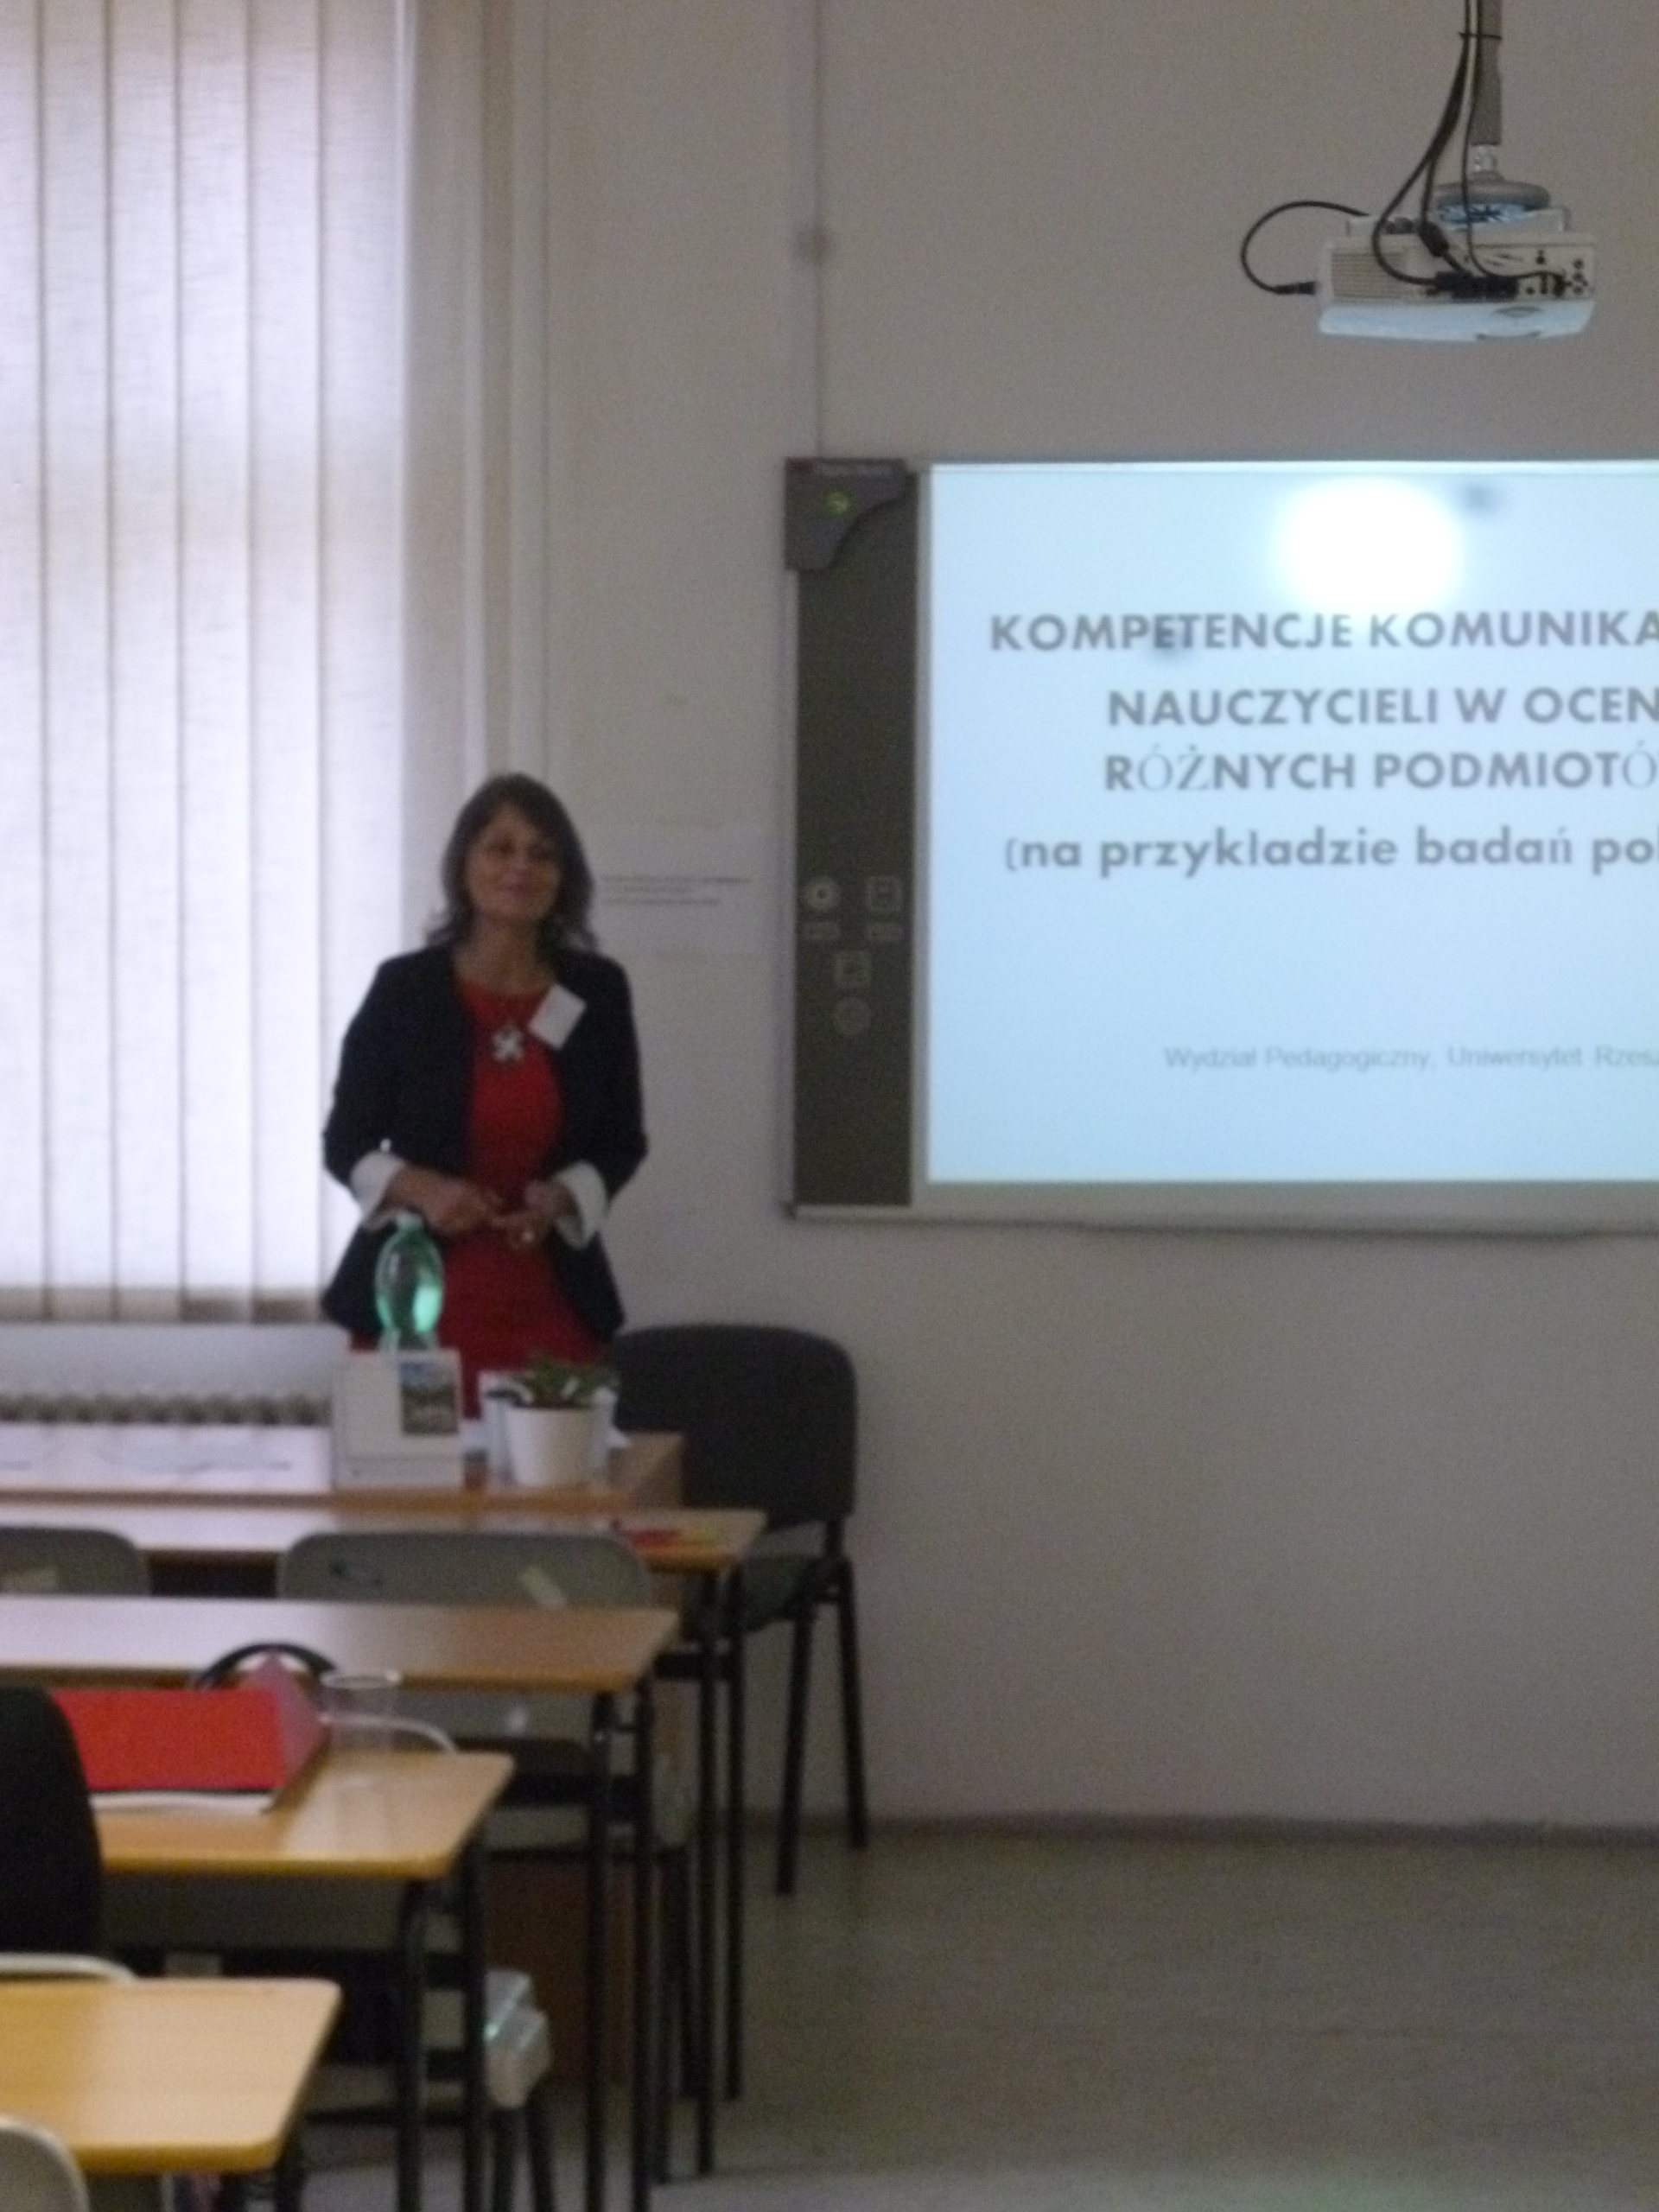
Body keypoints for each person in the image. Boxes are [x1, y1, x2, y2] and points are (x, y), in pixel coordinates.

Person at [321, 773, 646, 1409]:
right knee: (420, 1473)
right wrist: (425, 1189)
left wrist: (561, 1198)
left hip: (555, 1307)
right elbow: (345, 1143)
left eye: (542, 853)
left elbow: (622, 1142)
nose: (521, 866)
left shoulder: (597, 991)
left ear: (563, 878)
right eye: (500, 848)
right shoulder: (405, 990)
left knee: (555, 1473)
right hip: (416, 1308)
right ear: (463, 866)